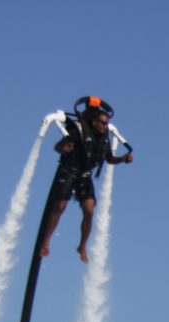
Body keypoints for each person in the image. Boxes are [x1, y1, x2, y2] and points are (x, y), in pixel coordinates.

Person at [40, 97, 134, 263]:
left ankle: (82, 246)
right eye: (102, 123)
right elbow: (58, 146)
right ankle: (46, 240)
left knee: (90, 210)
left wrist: (123, 159)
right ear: (94, 121)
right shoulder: (79, 130)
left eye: (106, 124)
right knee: (60, 206)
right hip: (69, 171)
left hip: (84, 176)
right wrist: (65, 148)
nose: (105, 127)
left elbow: (109, 158)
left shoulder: (104, 138)